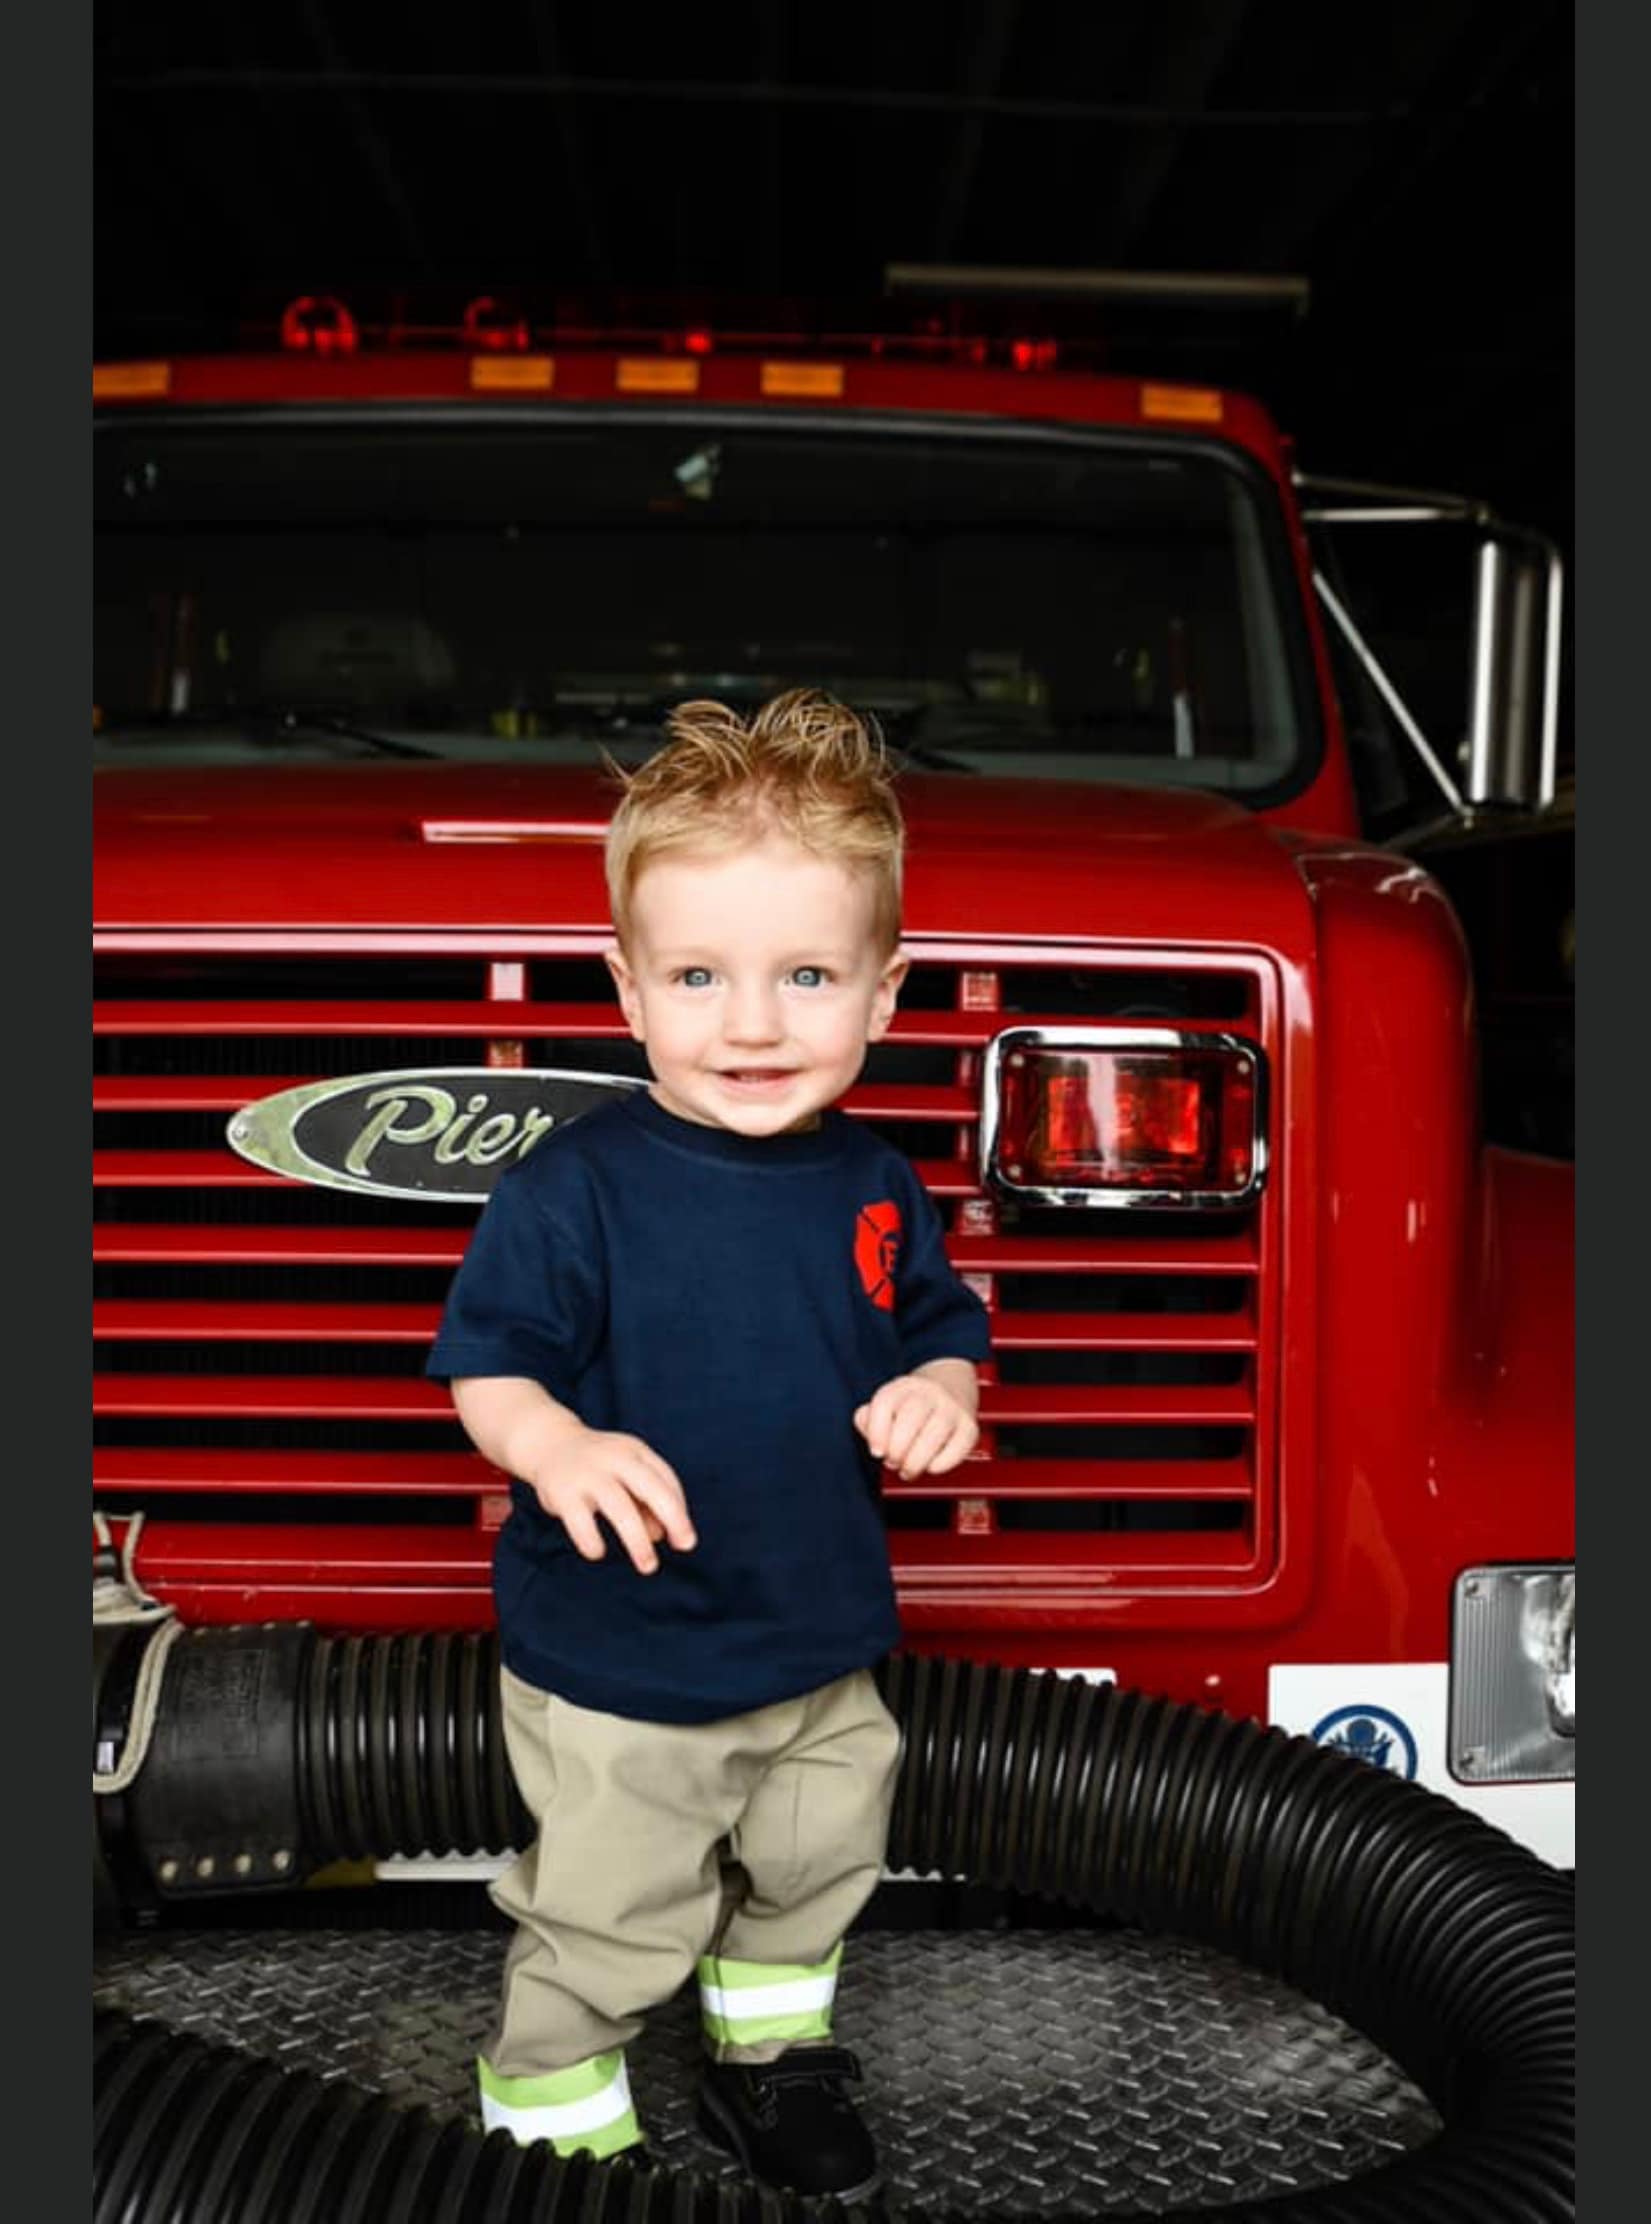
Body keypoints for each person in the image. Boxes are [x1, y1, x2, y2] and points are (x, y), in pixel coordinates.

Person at [425, 689, 991, 2200]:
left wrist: (947, 1387)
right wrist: (555, 1450)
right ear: (627, 989)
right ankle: (548, 2103)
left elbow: (943, 1324)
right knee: (613, 1905)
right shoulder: (577, 1191)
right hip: (630, 1662)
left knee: (813, 1873)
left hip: (820, 1645)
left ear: (886, 993)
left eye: (807, 974)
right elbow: (488, 1366)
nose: (751, 1023)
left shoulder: (876, 1182)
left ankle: (770, 2057)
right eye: (698, 975)